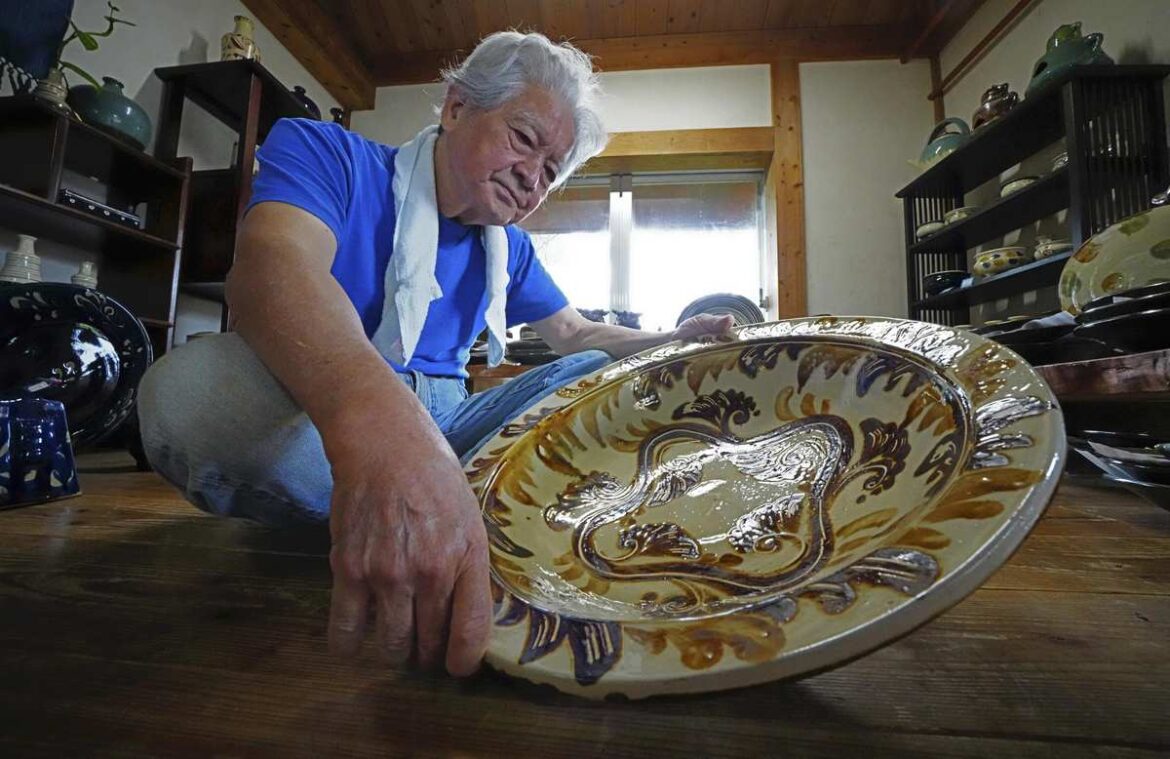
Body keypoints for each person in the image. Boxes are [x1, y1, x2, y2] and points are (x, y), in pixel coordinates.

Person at [137, 31, 733, 679]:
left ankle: (429, 507)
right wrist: (382, 432)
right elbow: (271, 269)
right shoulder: (329, 154)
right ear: (456, 107)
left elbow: (575, 334)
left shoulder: (512, 250)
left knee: (605, 376)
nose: (532, 177)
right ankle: (437, 508)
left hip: (457, 421)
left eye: (551, 170)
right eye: (524, 139)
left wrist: (671, 341)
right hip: (325, 413)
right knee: (189, 392)